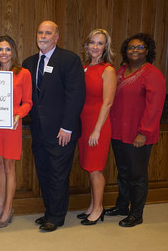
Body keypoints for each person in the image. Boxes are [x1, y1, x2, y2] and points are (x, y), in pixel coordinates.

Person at [22, 20, 86, 232]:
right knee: (44, 173)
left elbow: (76, 96)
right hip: (39, 132)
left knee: (58, 174)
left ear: (56, 37)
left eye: (48, 33)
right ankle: (50, 211)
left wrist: (67, 127)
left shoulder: (69, 60)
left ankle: (57, 217)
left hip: (62, 132)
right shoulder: (29, 63)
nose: (43, 36)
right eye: (40, 32)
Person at [107, 33, 166, 227]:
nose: (135, 50)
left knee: (137, 175)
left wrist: (144, 132)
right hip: (118, 132)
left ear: (147, 51)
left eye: (140, 47)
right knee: (123, 172)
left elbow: (154, 106)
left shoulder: (152, 74)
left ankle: (136, 213)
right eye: (131, 47)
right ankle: (122, 206)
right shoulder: (120, 71)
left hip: (138, 135)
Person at [0, 36, 32, 228]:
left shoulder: (23, 73)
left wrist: (18, 115)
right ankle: (0, 206)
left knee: (9, 167)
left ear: (13, 51)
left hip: (12, 125)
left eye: (7, 49)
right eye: (0, 49)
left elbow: (28, 102)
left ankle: (8, 209)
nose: (3, 53)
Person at [76, 29, 116, 225]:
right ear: (87, 45)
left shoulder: (107, 69)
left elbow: (107, 102)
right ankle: (93, 205)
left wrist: (97, 130)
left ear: (105, 47)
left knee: (95, 169)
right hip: (84, 124)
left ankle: (99, 208)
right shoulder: (84, 67)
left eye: (100, 43)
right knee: (89, 167)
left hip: (98, 125)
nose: (95, 47)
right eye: (92, 42)